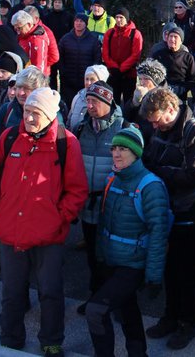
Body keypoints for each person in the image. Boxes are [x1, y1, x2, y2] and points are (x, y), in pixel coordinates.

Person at [0, 87, 89, 355]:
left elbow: (77, 190)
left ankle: (51, 342)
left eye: (35, 113)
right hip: (11, 230)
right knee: (12, 292)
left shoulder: (66, 142)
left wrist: (59, 220)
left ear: (50, 116)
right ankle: (11, 340)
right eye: (27, 111)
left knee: (50, 292)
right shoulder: (10, 137)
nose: (28, 117)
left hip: (48, 235)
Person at [86, 126, 171, 357]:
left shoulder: (150, 186)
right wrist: (101, 257)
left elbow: (158, 234)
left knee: (96, 311)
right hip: (112, 261)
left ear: (136, 153)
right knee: (126, 309)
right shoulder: (113, 179)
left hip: (132, 264)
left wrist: (153, 276)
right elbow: (104, 223)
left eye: (123, 149)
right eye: (114, 148)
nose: (116, 153)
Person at [140, 87, 195, 349]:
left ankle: (187, 323)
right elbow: (149, 158)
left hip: (188, 211)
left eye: (157, 119)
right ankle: (170, 316)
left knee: (186, 271)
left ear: (171, 109)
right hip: (165, 208)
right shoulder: (161, 128)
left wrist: (159, 173)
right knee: (169, 267)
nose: (154, 124)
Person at [75, 81, 125, 311]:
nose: (90, 105)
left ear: (107, 102)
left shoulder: (123, 129)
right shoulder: (81, 128)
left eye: (94, 101)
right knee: (92, 257)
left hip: (112, 206)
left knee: (111, 257)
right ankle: (95, 298)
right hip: (87, 204)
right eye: (88, 101)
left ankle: (113, 300)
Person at [57, 13, 103, 107]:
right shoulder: (66, 39)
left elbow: (97, 59)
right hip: (68, 81)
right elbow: (59, 56)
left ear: (86, 23)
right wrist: (63, 71)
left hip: (86, 82)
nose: (78, 23)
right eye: (76, 21)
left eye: (81, 21)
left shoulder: (93, 40)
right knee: (68, 106)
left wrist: (92, 75)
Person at [101, 8, 144, 105]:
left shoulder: (135, 34)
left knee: (128, 101)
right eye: (117, 17)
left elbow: (136, 54)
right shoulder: (110, 33)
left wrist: (122, 68)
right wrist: (114, 67)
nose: (118, 20)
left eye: (121, 17)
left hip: (129, 74)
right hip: (113, 73)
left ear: (127, 19)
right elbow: (105, 53)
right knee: (112, 101)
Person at [149, 23, 195, 103]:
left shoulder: (187, 57)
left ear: (181, 40)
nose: (172, 39)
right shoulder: (158, 55)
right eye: (170, 36)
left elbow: (193, 79)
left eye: (175, 37)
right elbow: (151, 74)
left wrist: (181, 89)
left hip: (180, 96)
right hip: (160, 94)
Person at [12, 10, 58, 76]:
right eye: (15, 29)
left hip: (32, 79)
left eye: (19, 28)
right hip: (24, 75)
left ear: (28, 24)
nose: (18, 32)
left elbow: (39, 67)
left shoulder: (37, 40)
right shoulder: (23, 36)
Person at [67, 65, 109, 132]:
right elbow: (69, 121)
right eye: (87, 79)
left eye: (92, 79)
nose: (88, 83)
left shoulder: (106, 102)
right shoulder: (77, 97)